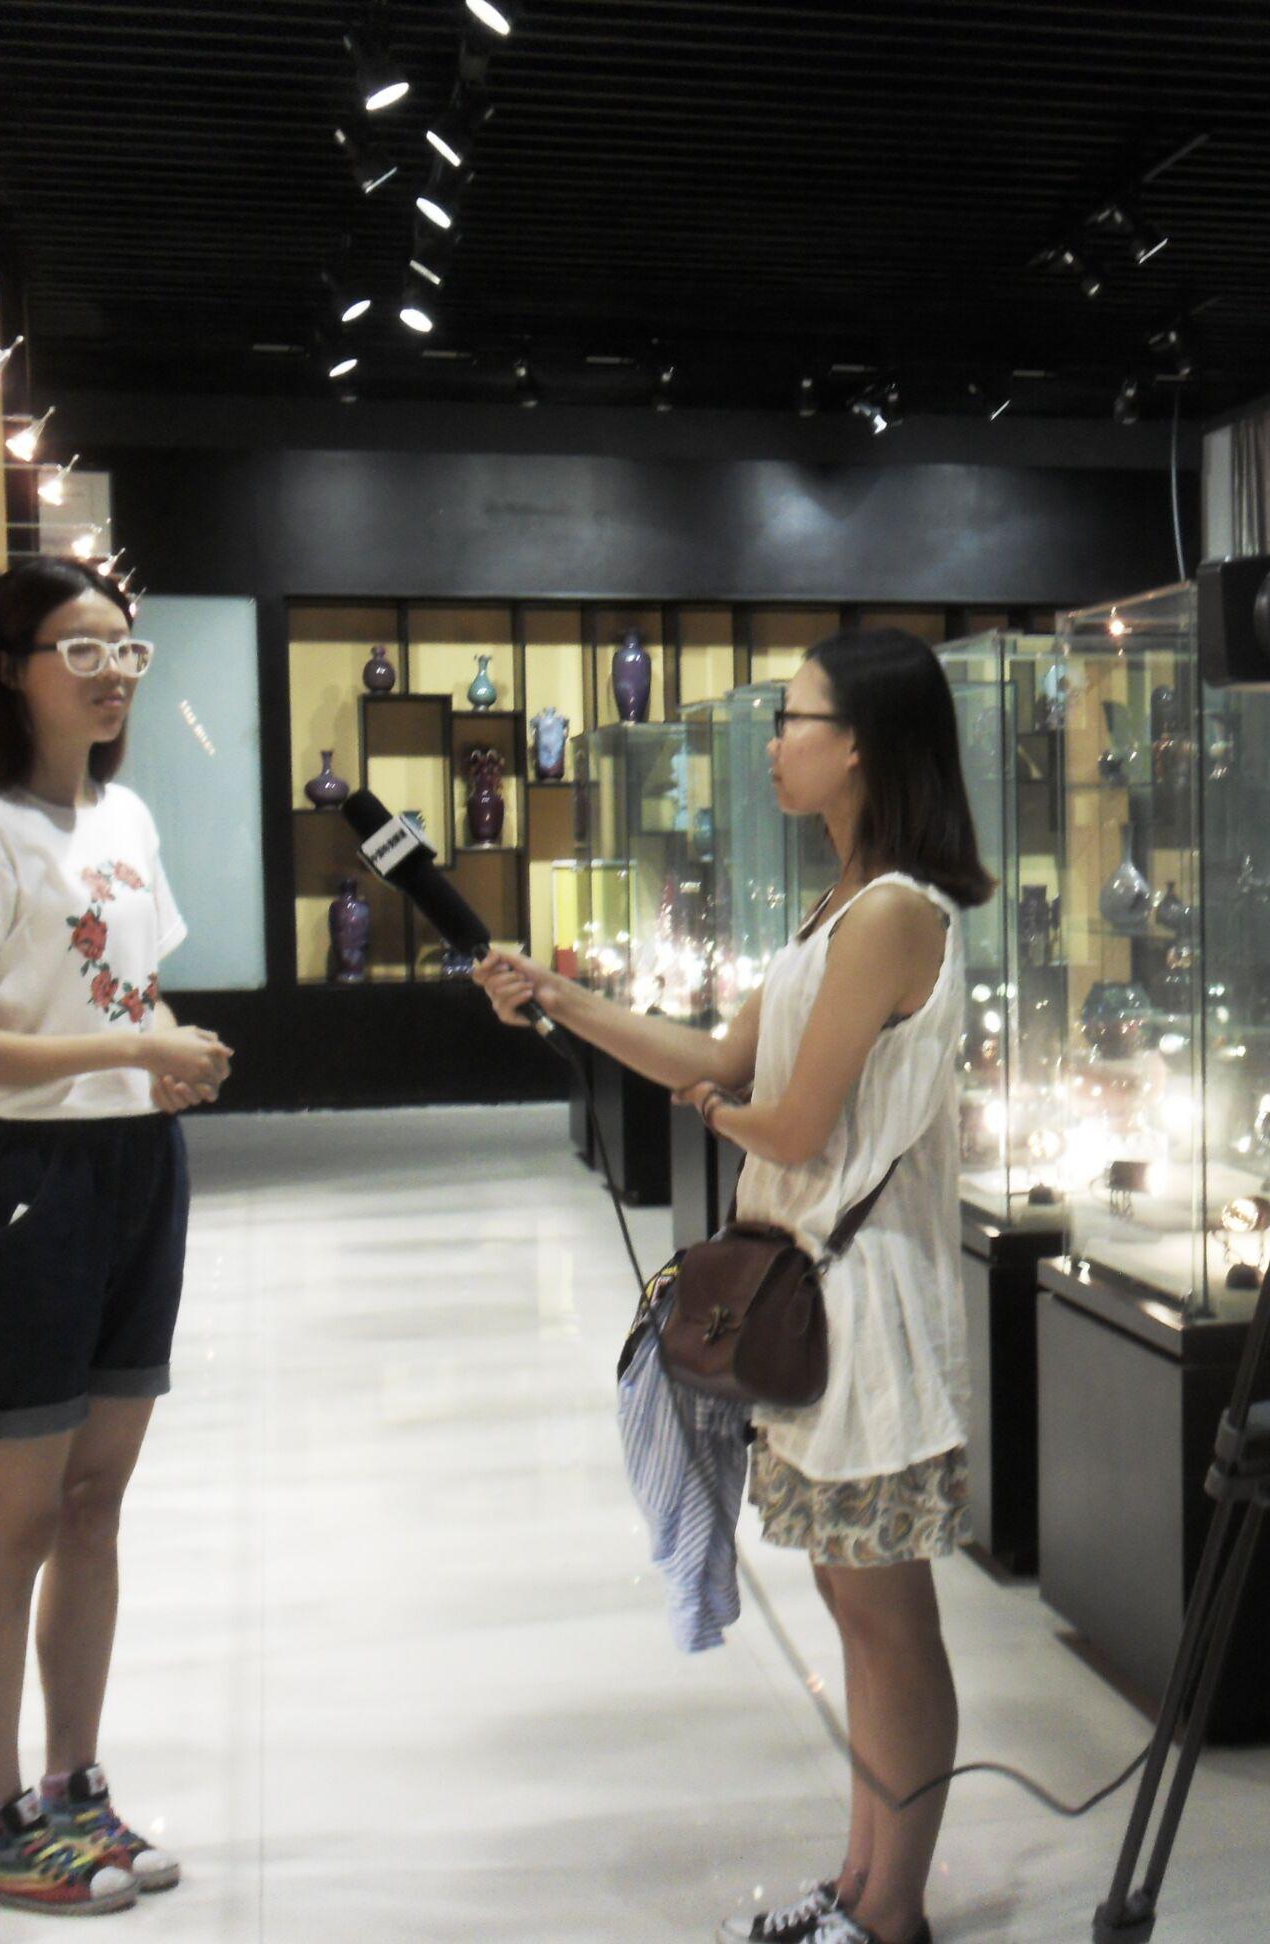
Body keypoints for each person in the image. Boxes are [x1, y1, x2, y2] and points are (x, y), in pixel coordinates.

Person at [478, 630, 992, 1944]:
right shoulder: (841, 907)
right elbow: (717, 1056)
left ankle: (891, 1908)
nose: (775, 743)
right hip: (822, 1297)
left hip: (864, 1306)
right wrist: (559, 999)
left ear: (859, 744)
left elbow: (791, 1121)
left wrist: (721, 1112)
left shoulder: (893, 912)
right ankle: (862, 1883)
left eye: (795, 718)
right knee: (850, 1600)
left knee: (884, 1612)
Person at [0, 559, 234, 1917]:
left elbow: (123, 992)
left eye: (125, 651)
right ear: (12, 667)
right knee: (18, 1517)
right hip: (26, 1179)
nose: (110, 675)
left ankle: (74, 1784)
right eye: (80, 651)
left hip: (136, 1167)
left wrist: (164, 1059)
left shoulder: (125, 814)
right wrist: (129, 1050)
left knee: (96, 1504)